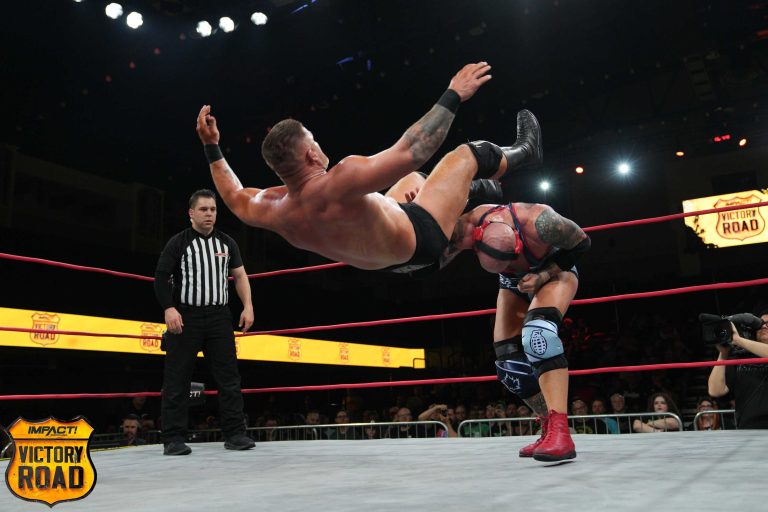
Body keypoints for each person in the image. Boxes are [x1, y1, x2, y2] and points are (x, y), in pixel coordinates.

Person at [195, 62, 542, 275]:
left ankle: (476, 189)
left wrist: (212, 146)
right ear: (311, 155)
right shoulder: (339, 181)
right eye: (313, 141)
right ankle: (525, 153)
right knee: (464, 156)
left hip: (390, 264)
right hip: (422, 238)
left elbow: (234, 196)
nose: (319, 145)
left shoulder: (273, 209)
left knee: (413, 180)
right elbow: (413, 149)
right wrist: (453, 94)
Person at [432, 198, 589, 461]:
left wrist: (542, 275)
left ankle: (562, 433)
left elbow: (582, 242)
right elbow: (428, 258)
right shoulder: (469, 225)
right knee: (508, 363)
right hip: (512, 283)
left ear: (517, 244)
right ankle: (548, 426)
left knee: (538, 334)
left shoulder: (542, 221)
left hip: (554, 271)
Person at [154, 189, 256, 455]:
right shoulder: (178, 242)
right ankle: (173, 439)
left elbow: (240, 276)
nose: (209, 214)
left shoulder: (227, 242)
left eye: (213, 209)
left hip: (219, 317)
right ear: (191, 213)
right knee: (177, 378)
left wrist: (248, 306)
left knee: (229, 377)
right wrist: (169, 309)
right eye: (203, 209)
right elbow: (161, 277)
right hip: (185, 317)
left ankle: (235, 434)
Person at [708, 309, 768, 428]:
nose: (764, 326)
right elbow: (715, 391)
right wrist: (723, 353)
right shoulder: (741, 357)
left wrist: (737, 340)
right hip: (748, 428)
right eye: (761, 323)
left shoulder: (740, 343)